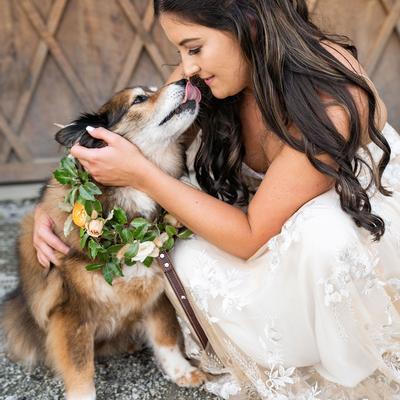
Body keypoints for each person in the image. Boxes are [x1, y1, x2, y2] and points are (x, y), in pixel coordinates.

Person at [33, 0, 400, 398]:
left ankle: (335, 354)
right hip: (259, 217)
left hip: (340, 220)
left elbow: (251, 235)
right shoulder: (215, 71)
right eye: (180, 52)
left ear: (249, 27)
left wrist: (143, 175)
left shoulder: (330, 102)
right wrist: (54, 206)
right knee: (176, 250)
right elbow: (131, 136)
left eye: (193, 48)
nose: (186, 69)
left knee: (321, 235)